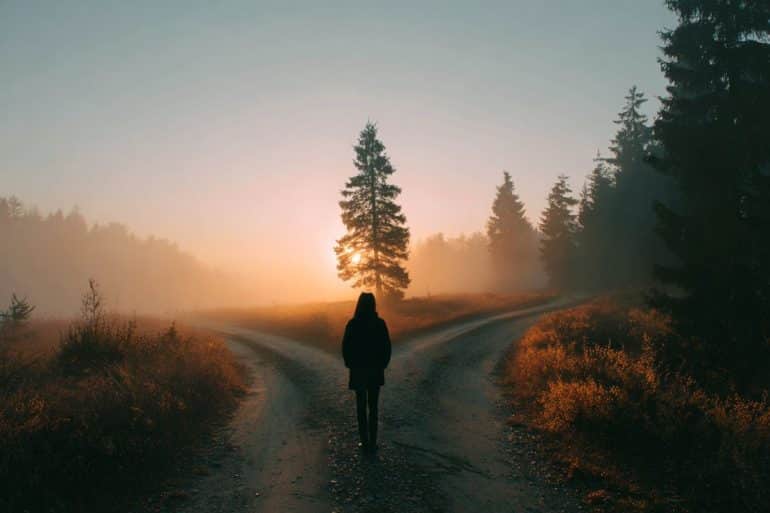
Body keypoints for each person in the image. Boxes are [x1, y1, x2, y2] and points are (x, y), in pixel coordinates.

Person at [341, 292, 392, 453]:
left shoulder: (353, 324)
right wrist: (382, 365)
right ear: (373, 305)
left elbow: (346, 348)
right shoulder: (380, 323)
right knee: (374, 408)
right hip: (375, 371)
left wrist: (350, 365)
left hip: (358, 372)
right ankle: (373, 442)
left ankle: (364, 442)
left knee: (361, 408)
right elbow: (387, 347)